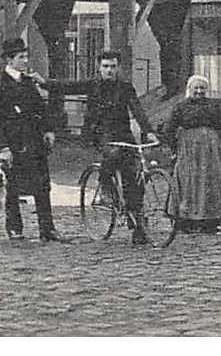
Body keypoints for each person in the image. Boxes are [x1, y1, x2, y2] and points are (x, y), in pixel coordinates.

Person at [49, 49, 159, 245]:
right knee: (112, 153)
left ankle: (138, 226)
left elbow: (137, 109)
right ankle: (106, 189)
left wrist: (148, 130)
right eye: (106, 66)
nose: (110, 70)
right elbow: (66, 87)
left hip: (122, 133)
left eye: (113, 67)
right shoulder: (93, 85)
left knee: (134, 174)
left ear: (119, 68)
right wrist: (42, 82)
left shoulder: (125, 87)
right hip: (100, 133)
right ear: (99, 68)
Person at [0, 36, 65, 241]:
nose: (25, 61)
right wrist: (3, 147)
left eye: (26, 56)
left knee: (42, 185)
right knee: (12, 187)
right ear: (9, 60)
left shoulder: (29, 83)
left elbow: (41, 108)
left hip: (34, 142)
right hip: (13, 144)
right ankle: (14, 228)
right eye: (21, 57)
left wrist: (48, 130)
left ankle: (47, 229)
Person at [163, 73, 221, 233]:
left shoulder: (213, 106)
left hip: (210, 150)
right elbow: (169, 129)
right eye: (196, 88)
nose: (199, 91)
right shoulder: (181, 106)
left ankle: (210, 221)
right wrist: (175, 148)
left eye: (202, 88)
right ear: (189, 89)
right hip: (189, 150)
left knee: (210, 182)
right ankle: (186, 222)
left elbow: (219, 127)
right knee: (188, 182)